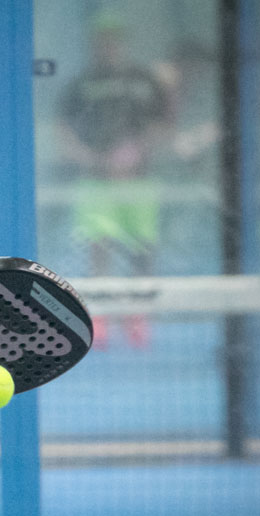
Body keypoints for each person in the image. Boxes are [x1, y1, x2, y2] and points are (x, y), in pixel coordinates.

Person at [56, 14, 171, 348]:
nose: (109, 46)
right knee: (99, 246)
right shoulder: (80, 84)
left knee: (142, 248)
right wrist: (93, 159)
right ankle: (100, 315)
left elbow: (163, 124)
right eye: (103, 39)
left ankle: (138, 315)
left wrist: (136, 151)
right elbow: (63, 131)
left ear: (124, 42)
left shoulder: (145, 81)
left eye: (115, 39)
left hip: (140, 182)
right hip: (96, 183)